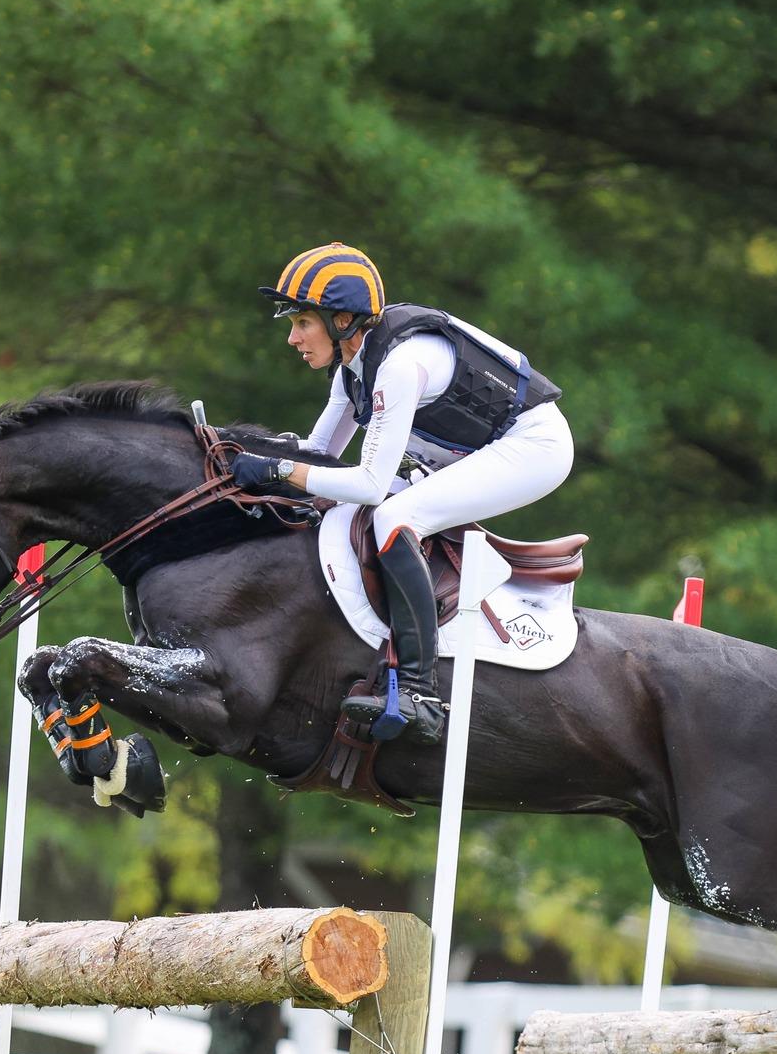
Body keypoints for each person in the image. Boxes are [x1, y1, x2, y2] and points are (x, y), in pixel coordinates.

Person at [235, 242, 574, 743]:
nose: (292, 338)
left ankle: (421, 692)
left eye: (302, 323)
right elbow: (320, 456)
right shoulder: (355, 366)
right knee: (361, 505)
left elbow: (368, 485)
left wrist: (278, 469)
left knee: (394, 517)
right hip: (481, 450)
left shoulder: (398, 365)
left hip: (535, 448)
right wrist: (240, 451)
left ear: (343, 320)